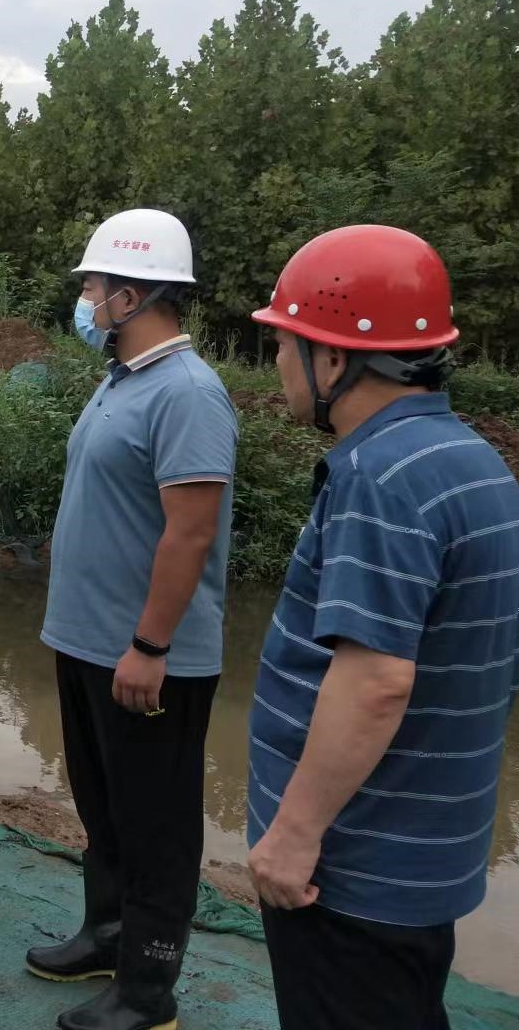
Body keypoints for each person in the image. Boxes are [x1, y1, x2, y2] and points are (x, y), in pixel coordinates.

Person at [246, 225, 519, 1030]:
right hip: (419, 860)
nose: (278, 363)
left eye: (286, 343)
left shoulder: (380, 476)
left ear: (334, 359)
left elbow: (374, 681)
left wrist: (293, 836)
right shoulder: (471, 460)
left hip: (351, 870)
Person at [30, 209, 238, 1030]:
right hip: (86, 644)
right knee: (104, 806)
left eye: (91, 286)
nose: (83, 299)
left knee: (156, 822)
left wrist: (150, 643)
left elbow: (190, 530)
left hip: (148, 656)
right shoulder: (122, 380)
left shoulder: (189, 393)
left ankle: (148, 989)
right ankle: (107, 933)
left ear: (131, 293)